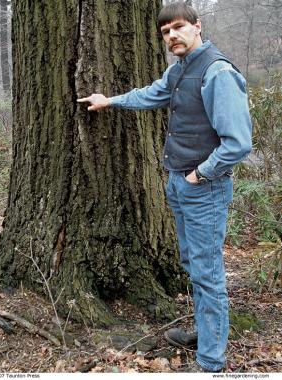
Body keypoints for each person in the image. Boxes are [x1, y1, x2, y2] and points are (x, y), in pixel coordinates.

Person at [77, 1, 252, 373]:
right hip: (180, 184)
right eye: (165, 32)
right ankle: (206, 335)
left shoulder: (217, 72)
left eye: (178, 27)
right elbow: (151, 94)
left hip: (204, 187)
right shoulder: (179, 70)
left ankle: (210, 360)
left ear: (197, 26)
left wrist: (200, 174)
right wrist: (110, 100)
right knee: (193, 264)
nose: (172, 35)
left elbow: (238, 143)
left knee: (207, 272)